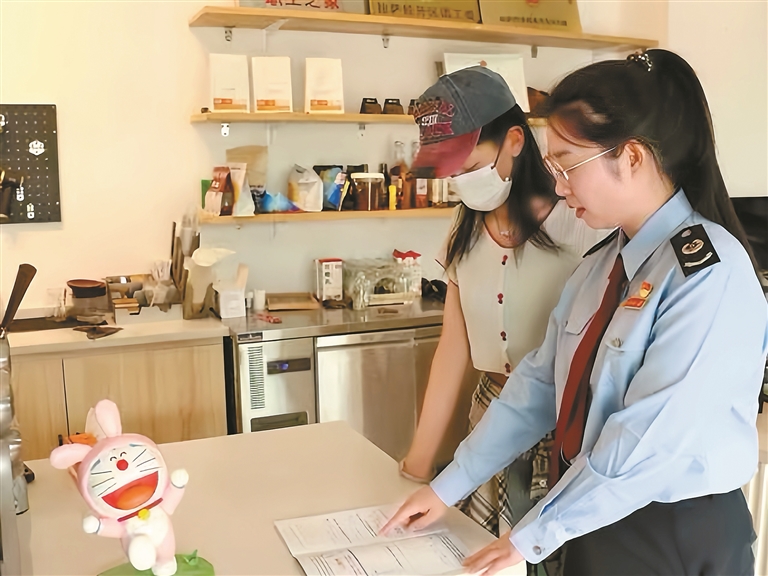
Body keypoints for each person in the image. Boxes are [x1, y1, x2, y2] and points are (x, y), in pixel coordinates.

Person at [383, 49, 768, 576]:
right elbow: (539, 386)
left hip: (672, 530)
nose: (560, 186)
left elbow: (647, 441)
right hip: (594, 514)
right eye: (553, 168)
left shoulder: (706, 272)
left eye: (567, 165)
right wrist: (448, 485)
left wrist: (532, 534)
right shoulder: (601, 265)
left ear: (631, 158)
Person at [400, 65, 602, 568]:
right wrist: (417, 464)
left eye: (467, 163)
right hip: (489, 421)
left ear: (514, 140)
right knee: (481, 560)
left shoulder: (582, 222)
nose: (457, 180)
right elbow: (453, 351)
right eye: (448, 170)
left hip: (567, 427)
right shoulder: (462, 230)